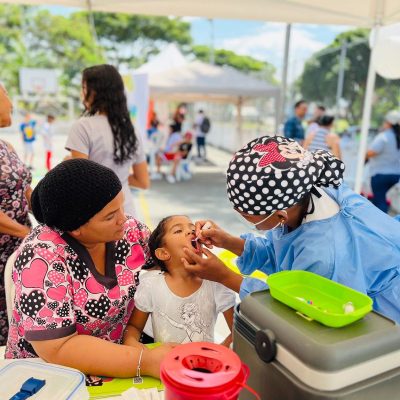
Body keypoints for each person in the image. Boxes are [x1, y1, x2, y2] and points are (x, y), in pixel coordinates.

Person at [181, 136, 400, 324]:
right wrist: (227, 241)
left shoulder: (321, 257)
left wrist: (224, 276)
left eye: (246, 216)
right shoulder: (305, 193)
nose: (242, 217)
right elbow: (281, 251)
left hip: (386, 317)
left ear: (280, 216)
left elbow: (291, 307)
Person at [5, 159, 175, 378]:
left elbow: (168, 261)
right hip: (48, 375)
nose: (123, 219)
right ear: (75, 228)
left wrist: (188, 242)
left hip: (122, 357)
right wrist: (146, 361)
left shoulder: (130, 232)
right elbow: (57, 348)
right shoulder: (41, 257)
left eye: (121, 207)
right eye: (110, 216)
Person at [130, 215, 235, 346]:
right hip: (165, 360)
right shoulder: (150, 285)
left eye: (193, 229)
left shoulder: (216, 282)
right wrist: (143, 354)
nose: (191, 232)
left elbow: (237, 332)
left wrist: (216, 353)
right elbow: (134, 328)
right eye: (178, 230)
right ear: (163, 253)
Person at [65, 64, 149, 217]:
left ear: (95, 91)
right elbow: (143, 182)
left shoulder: (83, 126)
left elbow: (80, 180)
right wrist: (119, 176)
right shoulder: (131, 130)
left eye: (84, 88)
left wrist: (67, 164)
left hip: (97, 215)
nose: (81, 94)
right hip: (128, 213)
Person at [0, 83, 32, 346]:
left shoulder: (6, 146)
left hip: (20, 245)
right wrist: (27, 233)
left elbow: (25, 190)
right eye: (6, 94)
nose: (11, 102)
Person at [366, 110, 400, 213]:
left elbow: (371, 152)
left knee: (379, 202)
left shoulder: (384, 136)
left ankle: (381, 222)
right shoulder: (397, 137)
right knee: (386, 201)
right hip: (396, 175)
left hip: (380, 174)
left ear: (388, 122)